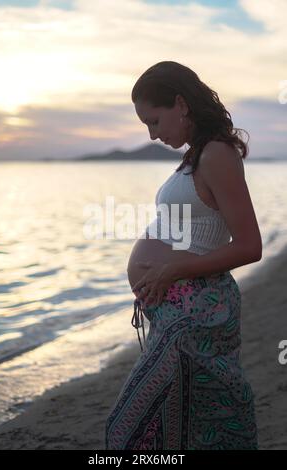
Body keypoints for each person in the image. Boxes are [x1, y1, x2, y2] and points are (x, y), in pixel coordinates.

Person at [105, 61, 262, 450]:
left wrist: (171, 269)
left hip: (196, 312)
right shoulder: (196, 155)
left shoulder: (217, 155)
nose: (152, 134)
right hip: (177, 313)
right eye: (146, 126)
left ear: (181, 104)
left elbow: (249, 246)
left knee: (128, 431)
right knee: (187, 424)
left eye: (154, 121)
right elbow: (193, 230)